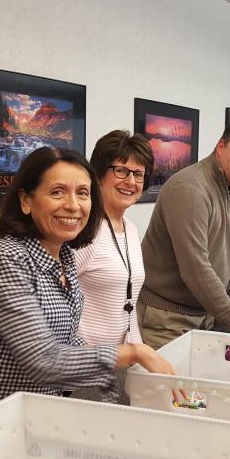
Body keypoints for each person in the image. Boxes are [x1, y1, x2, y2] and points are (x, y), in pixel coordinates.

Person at [0, 147, 174, 459]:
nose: (73, 205)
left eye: (82, 193)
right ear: (26, 200)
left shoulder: (64, 258)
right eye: (57, 192)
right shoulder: (4, 257)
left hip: (28, 426)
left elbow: (71, 343)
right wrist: (133, 352)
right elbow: (42, 359)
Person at [138, 119, 230, 349]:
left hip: (204, 317)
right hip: (166, 319)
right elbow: (195, 268)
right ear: (221, 147)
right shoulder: (190, 189)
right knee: (171, 387)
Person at [71, 130, 153, 403]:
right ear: (98, 174)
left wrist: (139, 357)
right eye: (121, 171)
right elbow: (56, 308)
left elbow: (127, 305)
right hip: (86, 373)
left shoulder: (130, 228)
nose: (130, 181)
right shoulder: (84, 232)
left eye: (138, 174)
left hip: (123, 366)